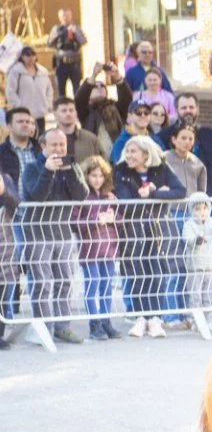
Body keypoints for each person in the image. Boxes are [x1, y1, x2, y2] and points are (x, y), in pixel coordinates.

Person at [21, 128, 89, 344]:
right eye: (54, 145)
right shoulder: (33, 168)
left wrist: (69, 170)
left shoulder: (71, 165)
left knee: (64, 281)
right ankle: (43, 328)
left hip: (63, 233)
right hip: (38, 234)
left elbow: (81, 195)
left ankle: (63, 326)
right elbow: (37, 195)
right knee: (42, 282)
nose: (59, 149)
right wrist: (48, 171)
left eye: (62, 145)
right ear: (43, 147)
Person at [115, 135, 187, 337]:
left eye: (133, 151)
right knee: (137, 273)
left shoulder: (160, 169)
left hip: (157, 229)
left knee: (156, 272)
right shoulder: (121, 171)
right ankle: (140, 317)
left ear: (146, 154)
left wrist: (155, 194)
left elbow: (179, 191)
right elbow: (124, 198)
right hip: (133, 229)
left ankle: (155, 318)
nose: (129, 155)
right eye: (127, 151)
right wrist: (145, 194)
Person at [72, 156, 120, 341]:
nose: (97, 179)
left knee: (107, 286)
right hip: (90, 249)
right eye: (93, 175)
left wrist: (113, 217)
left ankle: (106, 321)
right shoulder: (82, 197)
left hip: (108, 248)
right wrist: (95, 221)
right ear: (86, 176)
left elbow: (121, 219)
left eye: (101, 176)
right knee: (92, 286)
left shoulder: (110, 197)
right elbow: (74, 222)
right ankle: (94, 324)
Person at [156, 93, 212, 197]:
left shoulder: (210, 135)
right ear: (176, 110)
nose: (188, 111)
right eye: (184, 108)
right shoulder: (164, 136)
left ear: (197, 109)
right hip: (176, 201)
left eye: (191, 107)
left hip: (206, 200)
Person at [182, 192, 212, 328]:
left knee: (209, 295)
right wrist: (197, 240)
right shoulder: (189, 225)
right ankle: (197, 321)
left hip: (211, 265)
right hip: (196, 267)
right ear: (192, 210)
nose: (202, 212)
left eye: (205, 208)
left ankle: (209, 320)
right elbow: (187, 239)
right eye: (198, 209)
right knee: (196, 296)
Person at [76, 63, 130, 158]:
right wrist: (94, 76)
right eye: (95, 87)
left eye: (102, 86)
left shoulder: (115, 107)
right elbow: (80, 98)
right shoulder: (85, 110)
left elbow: (127, 98)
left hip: (118, 155)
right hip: (95, 157)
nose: (99, 88)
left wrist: (117, 76)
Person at [6, 47, 54, 124]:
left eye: (33, 54)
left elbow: (49, 90)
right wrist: (19, 106)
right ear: (22, 57)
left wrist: (48, 105)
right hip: (24, 114)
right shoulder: (16, 72)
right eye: (28, 55)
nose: (31, 57)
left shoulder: (43, 72)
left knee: (41, 135)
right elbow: (10, 91)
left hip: (40, 114)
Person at [47, 8, 87, 97]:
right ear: (59, 17)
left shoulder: (76, 27)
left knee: (77, 90)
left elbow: (84, 42)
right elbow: (49, 44)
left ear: (71, 16)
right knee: (61, 91)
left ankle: (77, 108)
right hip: (61, 63)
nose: (66, 17)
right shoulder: (56, 29)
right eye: (63, 15)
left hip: (74, 63)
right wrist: (57, 34)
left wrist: (75, 32)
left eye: (68, 15)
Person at [1, 107, 40, 194]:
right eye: (20, 122)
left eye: (28, 122)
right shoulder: (1, 152)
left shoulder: (42, 150)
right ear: (9, 126)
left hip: (41, 206)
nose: (25, 125)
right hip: (9, 206)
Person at [52, 97, 101, 164]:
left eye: (71, 110)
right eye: (64, 111)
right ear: (55, 114)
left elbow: (103, 165)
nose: (68, 114)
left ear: (76, 113)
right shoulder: (47, 139)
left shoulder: (91, 139)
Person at [0, 169, 18, 350]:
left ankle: (0, 334)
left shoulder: (5, 179)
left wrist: (3, 190)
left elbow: (16, 204)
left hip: (3, 246)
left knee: (3, 290)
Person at [165, 122, 207, 195]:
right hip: (169, 204)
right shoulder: (163, 159)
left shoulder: (198, 163)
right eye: (183, 138)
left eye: (191, 139)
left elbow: (201, 192)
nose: (187, 142)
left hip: (191, 205)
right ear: (174, 139)